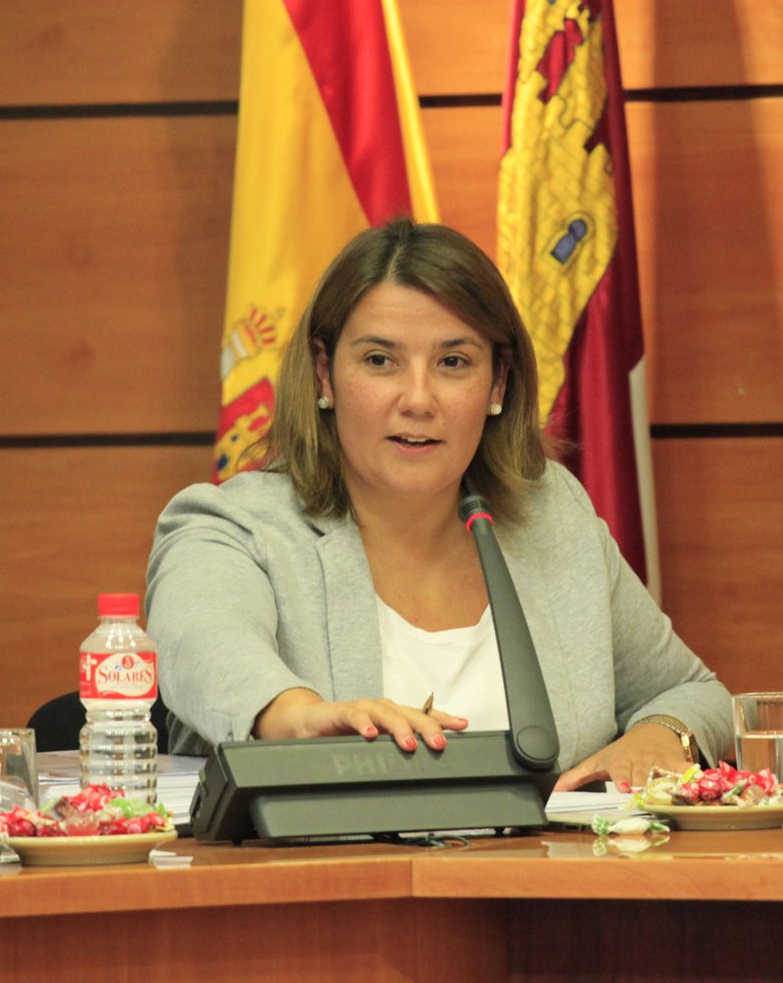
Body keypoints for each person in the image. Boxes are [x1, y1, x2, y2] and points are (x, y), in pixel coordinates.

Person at [146, 219, 732, 791]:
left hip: (549, 880)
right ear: (325, 375)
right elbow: (199, 648)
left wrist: (662, 734)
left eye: (454, 362)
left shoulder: (551, 515)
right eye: (381, 361)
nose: (419, 399)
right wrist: (295, 716)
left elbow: (691, 693)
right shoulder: (236, 526)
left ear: (498, 384)